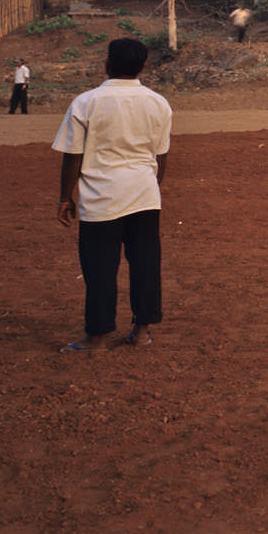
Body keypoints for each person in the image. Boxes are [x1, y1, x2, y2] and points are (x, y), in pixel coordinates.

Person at [51, 38, 171, 353]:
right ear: (144, 66)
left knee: (100, 268)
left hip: (101, 199)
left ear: (107, 64)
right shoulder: (158, 103)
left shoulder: (85, 103)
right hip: (145, 197)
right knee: (145, 265)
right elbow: (161, 156)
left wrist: (65, 197)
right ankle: (142, 331)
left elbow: (72, 156)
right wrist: (151, 187)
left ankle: (96, 338)